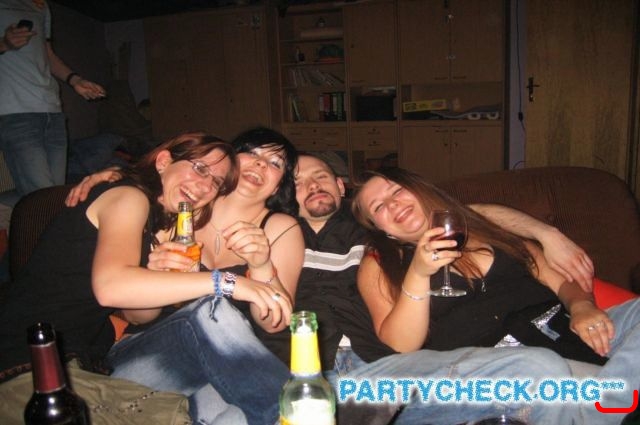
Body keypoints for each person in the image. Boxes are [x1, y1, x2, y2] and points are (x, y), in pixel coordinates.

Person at [67, 152, 595, 424]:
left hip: (373, 378)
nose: (311, 185)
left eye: (321, 176)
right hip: (290, 378)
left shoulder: (376, 231)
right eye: (296, 181)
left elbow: (460, 213)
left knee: (536, 372)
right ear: (282, 196)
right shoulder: (269, 234)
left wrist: (544, 231)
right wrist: (123, 177)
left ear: (343, 188)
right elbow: (190, 190)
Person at [0, 132, 292, 425]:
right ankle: (302, 410)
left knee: (228, 408)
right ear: (163, 161)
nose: (204, 185)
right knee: (210, 310)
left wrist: (158, 277)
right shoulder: (129, 197)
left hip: (91, 368)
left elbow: (137, 313)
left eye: (215, 182)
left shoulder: (159, 219)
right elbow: (112, 289)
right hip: (30, 367)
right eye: (200, 168)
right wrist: (227, 282)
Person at [352, 166, 640, 425]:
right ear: (381, 228)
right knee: (544, 369)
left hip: (564, 329)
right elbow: (400, 346)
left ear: (419, 189)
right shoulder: (381, 264)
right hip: (507, 364)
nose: (393, 204)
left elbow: (557, 279)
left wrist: (581, 306)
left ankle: (604, 404)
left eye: (397, 191)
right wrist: (418, 274)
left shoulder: (476, 224)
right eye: (379, 207)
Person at [0, 0, 106, 208]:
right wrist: (4, 44)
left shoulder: (40, 5)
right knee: (45, 200)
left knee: (55, 195)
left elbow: (47, 54)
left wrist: (75, 80)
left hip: (53, 111)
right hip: (16, 114)